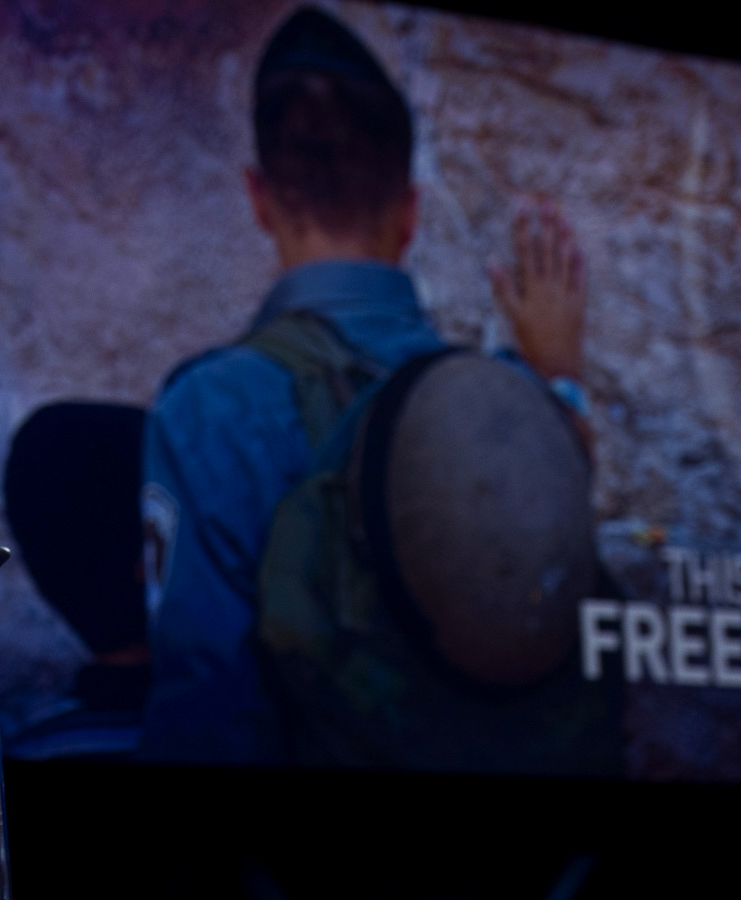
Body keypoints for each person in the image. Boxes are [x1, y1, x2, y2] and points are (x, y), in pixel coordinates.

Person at [138, 7, 593, 765]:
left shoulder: (206, 411)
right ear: (410, 213)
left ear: (258, 198)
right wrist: (559, 385)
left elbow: (204, 707)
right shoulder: (514, 401)